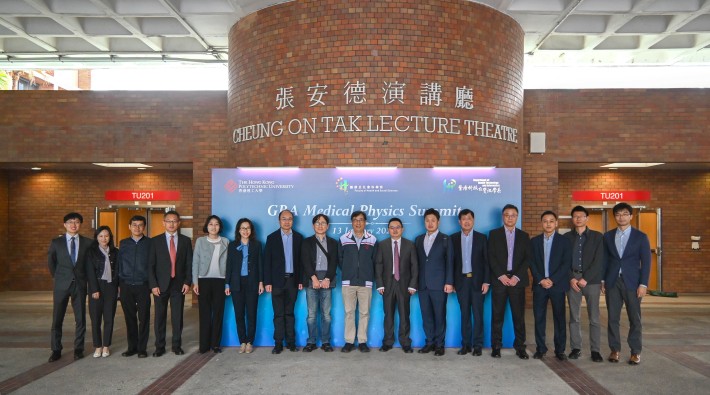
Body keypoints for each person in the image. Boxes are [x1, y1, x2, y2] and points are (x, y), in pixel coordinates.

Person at [603, 202, 651, 365]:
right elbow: (605, 260)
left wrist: (643, 284)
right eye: (618, 214)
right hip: (612, 282)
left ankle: (635, 352)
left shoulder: (641, 237)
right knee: (612, 318)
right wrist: (603, 280)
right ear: (614, 217)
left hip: (633, 283)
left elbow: (646, 262)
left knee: (635, 319)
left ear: (631, 216)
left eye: (624, 214)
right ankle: (615, 349)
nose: (621, 217)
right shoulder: (608, 236)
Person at [488, 204, 531, 359]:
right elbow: (490, 256)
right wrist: (501, 275)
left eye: (513, 215)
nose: (510, 217)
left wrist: (516, 277)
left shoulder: (524, 236)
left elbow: (527, 259)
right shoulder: (494, 234)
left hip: (517, 282)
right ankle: (496, 346)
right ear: (503, 217)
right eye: (507, 215)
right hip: (500, 281)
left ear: (517, 217)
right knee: (497, 316)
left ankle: (520, 347)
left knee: (518, 317)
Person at [47, 212, 92, 362]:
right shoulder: (56, 242)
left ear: (80, 225)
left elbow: (89, 265)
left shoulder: (87, 243)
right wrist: (59, 277)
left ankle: (78, 349)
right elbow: (51, 263)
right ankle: (56, 349)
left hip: (79, 284)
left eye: (77, 222)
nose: (74, 225)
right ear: (65, 224)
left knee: (80, 319)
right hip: (61, 285)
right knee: (57, 318)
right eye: (70, 222)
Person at [149, 210, 193, 357]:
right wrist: (153, 284)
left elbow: (189, 263)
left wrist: (188, 282)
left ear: (179, 223)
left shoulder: (186, 241)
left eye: (175, 221)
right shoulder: (155, 241)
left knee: (177, 317)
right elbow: (151, 266)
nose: (172, 224)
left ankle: (176, 345)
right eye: (169, 221)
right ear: (164, 223)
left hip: (178, 285)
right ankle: (159, 346)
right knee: (159, 317)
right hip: (160, 285)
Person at [564, 205, 604, 362]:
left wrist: (585, 278)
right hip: (573, 281)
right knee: (574, 317)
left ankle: (595, 350)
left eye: (581, 216)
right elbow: (563, 261)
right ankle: (576, 348)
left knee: (594, 317)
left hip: (591, 282)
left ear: (587, 218)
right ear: (572, 219)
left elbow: (599, 260)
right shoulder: (566, 237)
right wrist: (571, 278)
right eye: (575, 216)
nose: (578, 219)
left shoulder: (597, 237)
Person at [530, 211, 572, 361]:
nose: (548, 224)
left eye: (551, 221)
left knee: (559, 318)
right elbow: (532, 263)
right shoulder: (534, 242)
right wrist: (541, 279)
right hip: (540, 286)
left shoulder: (564, 241)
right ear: (541, 223)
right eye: (545, 221)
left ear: (556, 223)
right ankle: (541, 349)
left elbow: (566, 264)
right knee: (539, 318)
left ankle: (560, 350)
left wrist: (552, 280)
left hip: (558, 286)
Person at [414, 208, 454, 356]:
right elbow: (416, 263)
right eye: (427, 220)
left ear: (438, 221)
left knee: (439, 315)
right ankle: (429, 342)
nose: (430, 223)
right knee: (426, 315)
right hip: (423, 285)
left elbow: (450, 262)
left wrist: (449, 282)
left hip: (439, 285)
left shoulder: (445, 239)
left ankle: (439, 345)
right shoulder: (418, 239)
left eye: (433, 220)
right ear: (424, 222)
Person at [375, 217, 418, 353]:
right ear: (388, 230)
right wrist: (380, 284)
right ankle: (387, 342)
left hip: (404, 284)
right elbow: (378, 266)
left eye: (397, 227)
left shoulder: (410, 245)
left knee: (405, 314)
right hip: (387, 284)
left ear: (402, 229)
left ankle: (405, 342)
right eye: (392, 227)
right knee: (388, 314)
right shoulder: (382, 245)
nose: (395, 230)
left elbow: (414, 266)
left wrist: (412, 285)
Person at [264, 209, 303, 354]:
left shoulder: (299, 238)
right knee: (278, 314)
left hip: (293, 281)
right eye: (284, 219)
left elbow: (301, 262)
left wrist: (300, 280)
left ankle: (291, 343)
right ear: (279, 220)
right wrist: (267, 282)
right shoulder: (272, 238)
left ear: (293, 221)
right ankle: (278, 343)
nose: (287, 221)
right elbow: (267, 261)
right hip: (276, 282)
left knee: (290, 313)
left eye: (290, 219)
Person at [451, 209, 489, 356]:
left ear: (473, 220)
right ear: (459, 222)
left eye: (469, 218)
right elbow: (451, 263)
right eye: (463, 219)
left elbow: (486, 262)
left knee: (478, 315)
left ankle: (478, 345)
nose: (466, 221)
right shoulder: (453, 238)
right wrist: (452, 282)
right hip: (461, 282)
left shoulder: (481, 238)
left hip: (478, 282)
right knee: (465, 315)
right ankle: (466, 345)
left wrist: (486, 281)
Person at [338, 211, 378, 353]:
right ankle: (349, 341)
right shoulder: (344, 239)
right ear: (351, 222)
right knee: (349, 312)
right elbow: (340, 260)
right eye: (355, 220)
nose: (358, 223)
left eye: (361, 220)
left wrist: (367, 275)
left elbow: (375, 261)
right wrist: (349, 271)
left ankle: (362, 341)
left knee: (364, 313)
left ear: (365, 222)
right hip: (348, 282)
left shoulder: (372, 239)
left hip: (365, 283)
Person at [301, 214, 339, 352]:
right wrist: (314, 278)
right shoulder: (306, 242)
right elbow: (305, 261)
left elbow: (334, 262)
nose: (320, 225)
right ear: (313, 226)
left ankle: (325, 342)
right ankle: (311, 342)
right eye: (317, 223)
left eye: (323, 223)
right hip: (312, 278)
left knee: (326, 314)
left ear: (327, 226)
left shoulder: (334, 243)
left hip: (328, 280)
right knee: (311, 314)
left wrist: (328, 278)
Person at [226, 218, 264, 354]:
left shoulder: (257, 245)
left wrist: (261, 282)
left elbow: (260, 264)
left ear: (251, 230)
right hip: (236, 283)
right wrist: (227, 284)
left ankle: (250, 342)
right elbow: (229, 265)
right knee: (239, 314)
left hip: (252, 282)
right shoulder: (232, 245)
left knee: (251, 314)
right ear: (238, 230)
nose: (245, 230)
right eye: (243, 228)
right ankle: (242, 341)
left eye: (248, 228)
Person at [192, 215, 229, 354]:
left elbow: (229, 265)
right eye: (211, 224)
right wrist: (195, 282)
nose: (214, 227)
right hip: (204, 280)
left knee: (218, 314)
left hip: (220, 281)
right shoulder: (200, 241)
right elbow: (195, 261)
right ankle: (204, 345)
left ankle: (215, 345)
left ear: (220, 227)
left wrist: (227, 283)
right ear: (207, 226)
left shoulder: (226, 242)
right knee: (204, 314)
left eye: (217, 224)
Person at [117, 215, 151, 358]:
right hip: (126, 286)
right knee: (129, 318)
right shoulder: (123, 243)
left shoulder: (150, 243)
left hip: (143, 286)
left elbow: (153, 265)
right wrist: (119, 285)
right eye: (134, 225)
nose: (137, 228)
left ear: (144, 227)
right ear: (129, 226)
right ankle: (132, 347)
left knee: (144, 318)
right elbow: (119, 264)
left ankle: (142, 348)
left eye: (140, 225)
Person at [86, 225, 119, 358]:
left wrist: (118, 287)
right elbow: (90, 271)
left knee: (109, 318)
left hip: (111, 287)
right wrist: (94, 289)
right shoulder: (91, 252)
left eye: (106, 236)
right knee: (95, 319)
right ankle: (98, 347)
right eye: (101, 236)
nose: (104, 238)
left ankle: (106, 346)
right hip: (97, 287)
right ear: (96, 237)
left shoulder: (115, 252)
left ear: (110, 237)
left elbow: (117, 270)